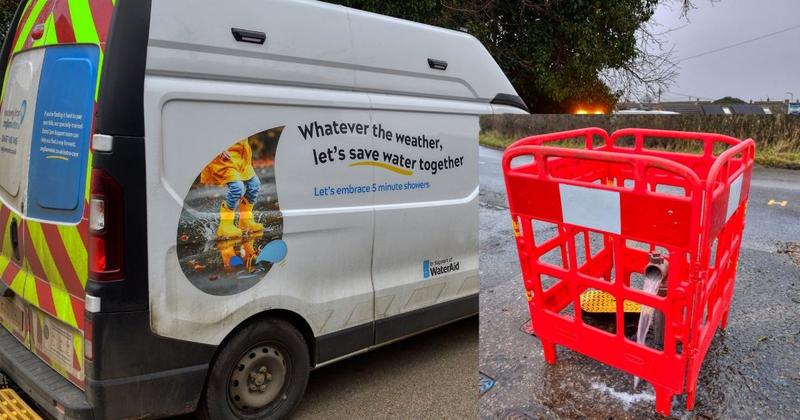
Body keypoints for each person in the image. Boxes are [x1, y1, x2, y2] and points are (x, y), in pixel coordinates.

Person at [200, 139, 264, 239]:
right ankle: (225, 225)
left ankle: (245, 221)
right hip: (225, 158)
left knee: (254, 185)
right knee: (237, 188)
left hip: (241, 156)